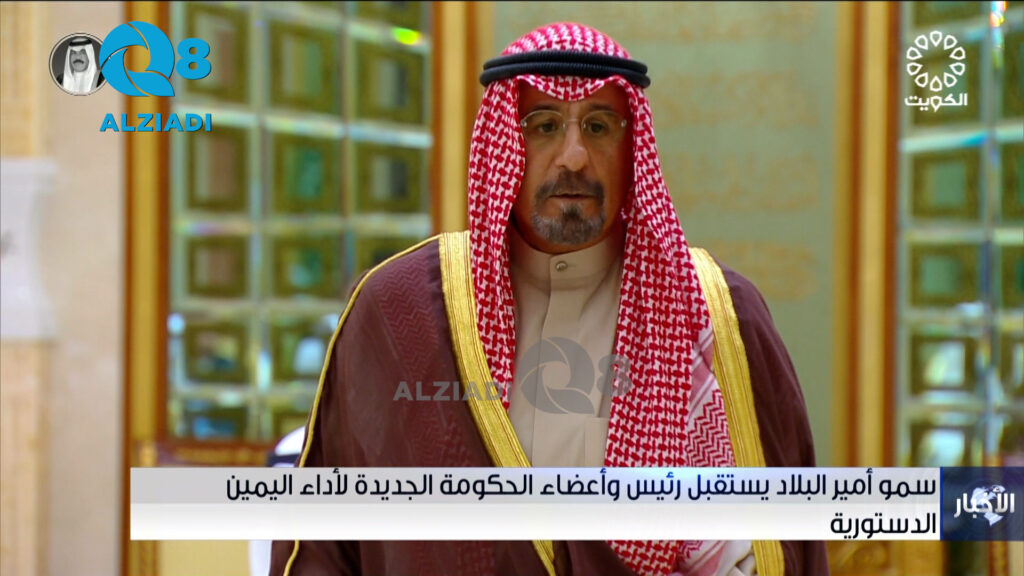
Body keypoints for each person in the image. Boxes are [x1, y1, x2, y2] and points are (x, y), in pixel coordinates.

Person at [270, 22, 828, 576]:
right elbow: (328, 541)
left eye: (599, 126)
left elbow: (771, 545)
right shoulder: (400, 309)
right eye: (543, 126)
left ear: (632, 148)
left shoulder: (715, 315)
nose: (573, 156)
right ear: (503, 144)